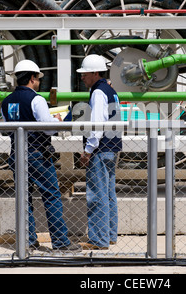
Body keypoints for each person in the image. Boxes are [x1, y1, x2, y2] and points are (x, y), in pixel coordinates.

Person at [1, 60, 80, 252]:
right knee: (51, 196)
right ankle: (61, 243)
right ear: (31, 78)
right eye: (37, 78)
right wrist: (58, 121)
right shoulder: (36, 100)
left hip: (16, 154)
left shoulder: (6, 101)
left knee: (24, 199)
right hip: (38, 154)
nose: (38, 82)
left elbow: (5, 129)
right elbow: (48, 129)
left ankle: (27, 242)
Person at [76, 54, 123, 250]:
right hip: (112, 148)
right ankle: (110, 235)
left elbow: (96, 125)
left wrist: (87, 151)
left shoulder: (97, 93)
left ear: (95, 72)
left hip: (100, 149)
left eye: (85, 73)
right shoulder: (111, 90)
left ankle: (98, 240)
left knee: (97, 195)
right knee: (109, 194)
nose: (82, 77)